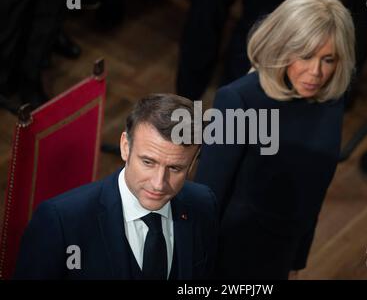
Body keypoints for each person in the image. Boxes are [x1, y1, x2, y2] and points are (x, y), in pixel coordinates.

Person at [194, 0, 355, 279]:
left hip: (281, 251)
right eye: (305, 56)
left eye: (328, 59)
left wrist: (297, 260)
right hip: (229, 250)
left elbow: (315, 190)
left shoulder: (331, 100)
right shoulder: (238, 99)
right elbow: (208, 194)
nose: (316, 72)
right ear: (281, 47)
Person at [14, 94, 218, 280]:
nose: (158, 183)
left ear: (191, 165)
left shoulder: (203, 203)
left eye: (175, 168)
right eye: (148, 162)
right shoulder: (62, 222)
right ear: (125, 147)